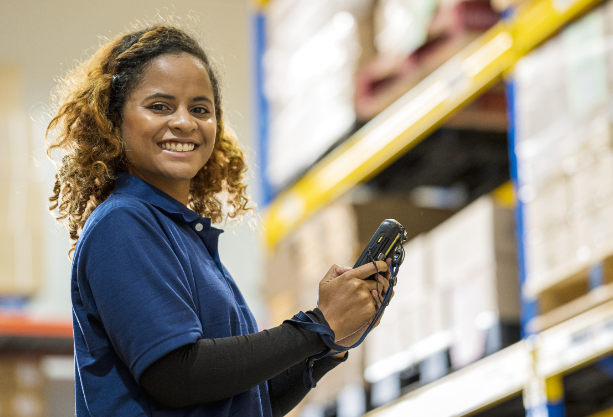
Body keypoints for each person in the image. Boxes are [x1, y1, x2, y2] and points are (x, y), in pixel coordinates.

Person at [46, 25, 392, 416]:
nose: (184, 122)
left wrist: (329, 343)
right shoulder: (123, 224)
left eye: (200, 109)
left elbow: (247, 400)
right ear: (114, 120)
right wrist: (316, 324)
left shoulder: (182, 235)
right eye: (159, 106)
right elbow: (178, 377)